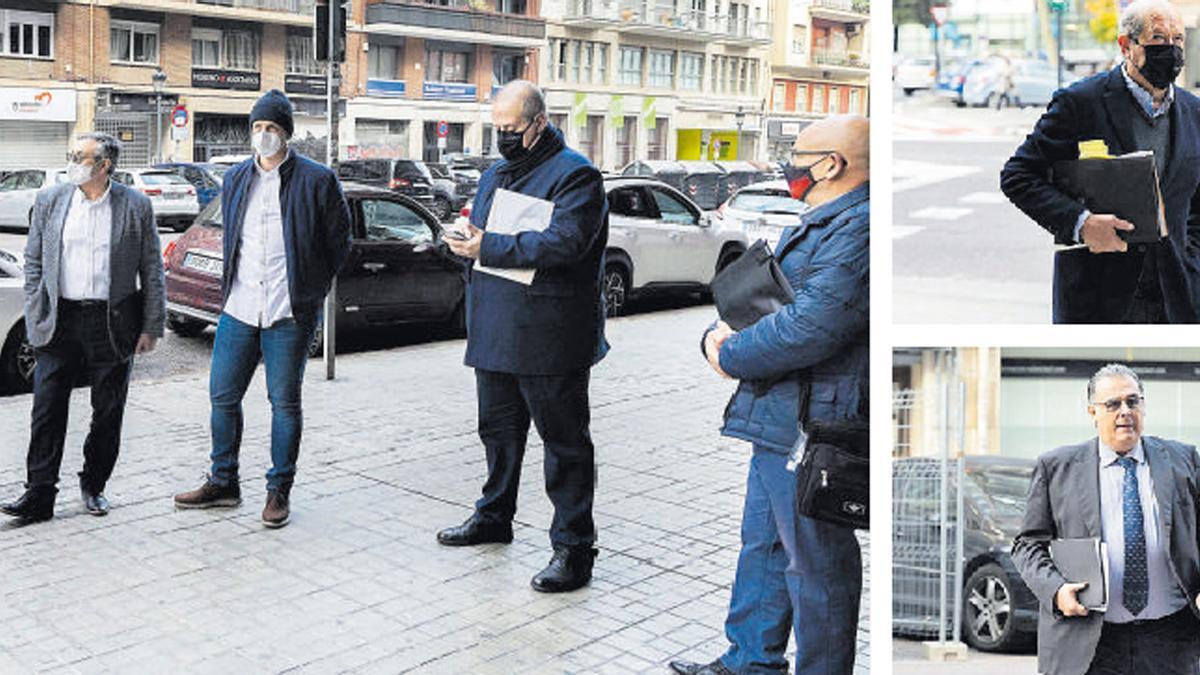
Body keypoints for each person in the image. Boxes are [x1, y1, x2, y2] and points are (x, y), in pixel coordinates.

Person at [670, 115, 869, 675]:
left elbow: (812, 326)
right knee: (763, 546)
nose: (790, 166)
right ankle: (749, 662)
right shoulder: (829, 218)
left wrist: (730, 354)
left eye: (799, 155)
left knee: (816, 565)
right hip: (781, 415)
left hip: (816, 424)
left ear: (832, 164)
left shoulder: (861, 227)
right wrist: (725, 331)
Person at [436, 80, 608, 593]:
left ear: (538, 122)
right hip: (495, 326)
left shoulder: (576, 175)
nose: (503, 138)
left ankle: (573, 549)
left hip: (551, 335)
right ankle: (494, 516)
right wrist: (462, 242)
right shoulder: (495, 172)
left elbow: (566, 244)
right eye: (497, 129)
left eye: (511, 129)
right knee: (498, 434)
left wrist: (488, 246)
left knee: (565, 447)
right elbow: (482, 233)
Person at [173, 90, 352, 529]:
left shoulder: (317, 179)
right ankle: (223, 480)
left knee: (284, 402)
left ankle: (278, 489)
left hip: (288, 311)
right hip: (238, 306)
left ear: (286, 132)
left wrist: (309, 288)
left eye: (272, 128)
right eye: (257, 128)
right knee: (222, 395)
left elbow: (339, 242)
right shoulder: (235, 178)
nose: (264, 135)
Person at [1000, 0, 1200, 323]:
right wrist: (1082, 223)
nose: (1171, 49)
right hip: (1099, 296)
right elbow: (1018, 175)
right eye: (1159, 38)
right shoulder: (1080, 103)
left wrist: (1192, 257)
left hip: (1178, 297)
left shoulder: (1195, 112)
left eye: (1178, 40)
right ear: (1126, 45)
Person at [0, 132, 164, 523]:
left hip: (112, 321)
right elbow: (35, 260)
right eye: (72, 154)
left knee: (107, 410)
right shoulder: (51, 200)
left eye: (81, 156)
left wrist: (152, 325)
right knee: (46, 407)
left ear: (104, 165)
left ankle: (94, 486)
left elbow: (152, 269)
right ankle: (39, 494)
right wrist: (36, 305)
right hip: (60, 320)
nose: (73, 161)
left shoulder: (135, 205)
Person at [1013, 364, 1200, 675]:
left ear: (1144, 405)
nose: (1124, 411)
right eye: (1112, 404)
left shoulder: (1183, 460)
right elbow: (1027, 545)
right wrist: (1057, 590)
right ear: (1092, 412)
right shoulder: (1057, 468)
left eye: (1133, 401)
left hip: (1170, 641)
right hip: (1090, 641)